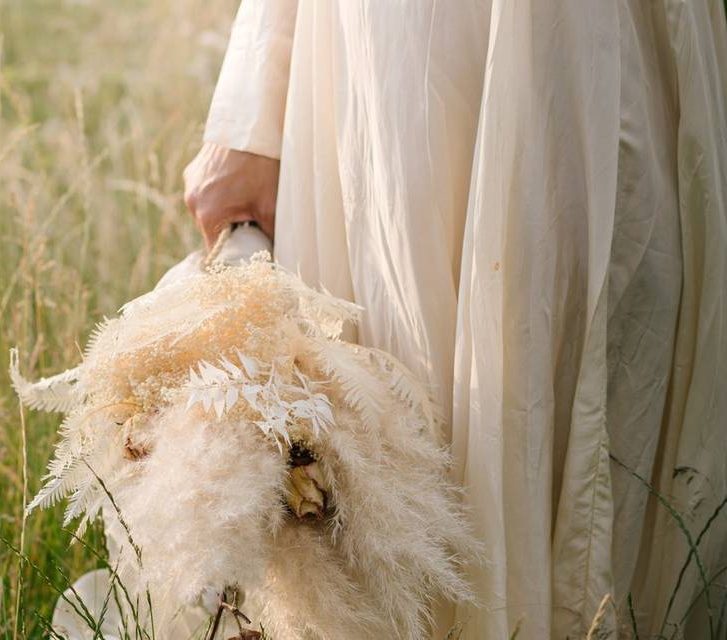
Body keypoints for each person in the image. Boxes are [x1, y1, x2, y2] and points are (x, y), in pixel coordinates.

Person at [183, 1, 727, 638]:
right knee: (411, 369)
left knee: (614, 319)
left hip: (605, 31)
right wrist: (252, 104)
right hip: (412, 41)